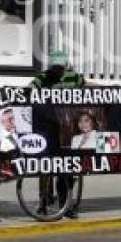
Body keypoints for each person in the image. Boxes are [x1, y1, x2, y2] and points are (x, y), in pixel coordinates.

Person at [31, 50, 85, 219]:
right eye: (55, 68)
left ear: (65, 66)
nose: (58, 72)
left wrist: (112, 90)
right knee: (45, 167)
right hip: (46, 129)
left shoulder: (74, 77)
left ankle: (65, 204)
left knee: (67, 169)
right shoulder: (43, 77)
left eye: (60, 68)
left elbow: (88, 87)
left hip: (67, 130)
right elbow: (29, 89)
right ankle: (43, 203)